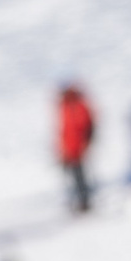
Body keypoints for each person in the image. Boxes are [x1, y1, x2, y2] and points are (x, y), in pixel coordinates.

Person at [55, 83, 97, 214]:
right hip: (68, 148)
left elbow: (88, 126)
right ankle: (76, 200)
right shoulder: (64, 106)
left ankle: (85, 201)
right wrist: (62, 150)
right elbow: (64, 130)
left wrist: (86, 143)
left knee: (80, 176)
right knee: (71, 176)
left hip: (78, 147)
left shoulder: (78, 104)